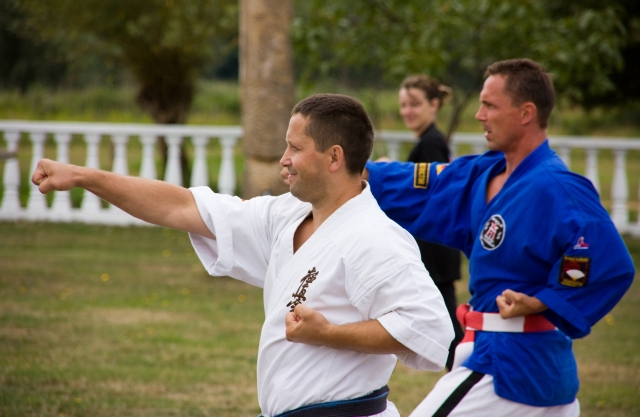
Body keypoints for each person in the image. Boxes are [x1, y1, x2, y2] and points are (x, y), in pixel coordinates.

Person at [32, 94, 454, 417]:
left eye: (295, 148)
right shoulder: (286, 216)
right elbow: (180, 207)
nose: (284, 160)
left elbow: (430, 328)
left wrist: (329, 334)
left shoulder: (375, 237)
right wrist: (85, 177)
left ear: (334, 157)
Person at [363, 59, 634, 416]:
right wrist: (356, 172)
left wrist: (544, 299)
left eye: (489, 105)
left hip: (511, 367)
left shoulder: (557, 186)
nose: (479, 115)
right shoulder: (484, 172)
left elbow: (604, 256)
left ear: (526, 113)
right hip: (513, 365)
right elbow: (426, 185)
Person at [397, 74, 464, 371]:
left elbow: (429, 195)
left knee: (449, 331)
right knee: (446, 326)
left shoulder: (431, 144)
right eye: (403, 105)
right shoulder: (428, 141)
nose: (407, 111)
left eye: (414, 104)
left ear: (434, 105)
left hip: (435, 251)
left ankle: (466, 376)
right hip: (436, 250)